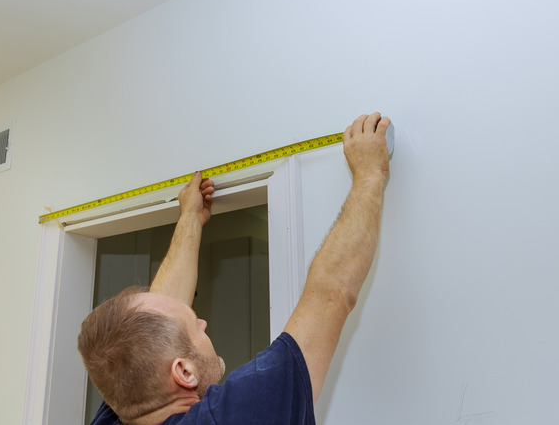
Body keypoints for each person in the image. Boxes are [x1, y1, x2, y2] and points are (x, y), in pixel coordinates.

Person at [78, 112, 392, 425]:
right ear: (184, 372)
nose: (202, 322)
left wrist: (190, 219)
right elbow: (331, 293)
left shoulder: (123, 406)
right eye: (195, 326)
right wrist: (370, 173)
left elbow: (154, 322)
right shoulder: (231, 416)